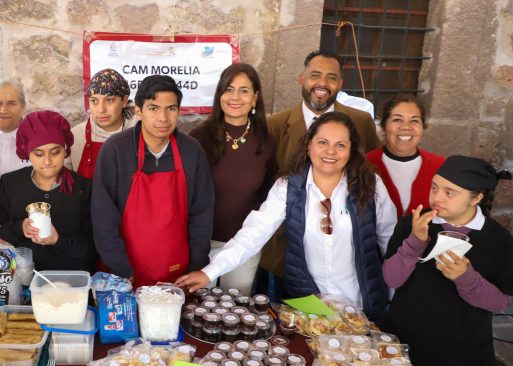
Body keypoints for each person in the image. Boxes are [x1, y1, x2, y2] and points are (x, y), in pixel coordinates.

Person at [176, 112, 397, 321]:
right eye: (323, 142)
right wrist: (209, 272)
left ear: (351, 150)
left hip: (359, 305)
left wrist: (394, 298)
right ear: (309, 144)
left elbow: (390, 242)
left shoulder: (370, 184)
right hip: (310, 307)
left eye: (340, 145)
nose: (331, 152)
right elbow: (254, 233)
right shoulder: (289, 186)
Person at [379, 156, 513, 366]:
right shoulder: (417, 223)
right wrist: (414, 242)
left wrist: (466, 278)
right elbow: (391, 279)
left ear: (476, 197)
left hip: (459, 355)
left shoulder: (497, 241)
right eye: (435, 188)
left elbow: (499, 303)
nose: (437, 198)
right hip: (404, 345)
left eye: (450, 192)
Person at [260, 50, 381, 299]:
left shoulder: (361, 122)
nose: (322, 84)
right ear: (301, 78)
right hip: (286, 253)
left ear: (340, 84)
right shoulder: (275, 125)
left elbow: (368, 178)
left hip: (345, 256)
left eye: (331, 77)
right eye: (315, 75)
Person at [92, 75, 214, 287]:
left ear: (179, 111)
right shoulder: (116, 150)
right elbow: (103, 216)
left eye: (171, 108)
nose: (163, 118)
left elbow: (202, 213)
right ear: (138, 111)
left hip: (178, 274)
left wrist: (195, 265)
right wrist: (121, 268)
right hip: (124, 272)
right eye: (153, 108)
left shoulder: (191, 151)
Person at [189, 63, 276, 294]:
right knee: (197, 310)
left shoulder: (267, 142)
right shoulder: (198, 138)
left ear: (255, 98)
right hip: (200, 245)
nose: (235, 97)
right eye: (228, 89)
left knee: (235, 312)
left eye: (244, 90)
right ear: (219, 95)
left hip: (244, 246)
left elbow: (270, 198)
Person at [0, 110, 96, 272]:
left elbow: (92, 248)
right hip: (25, 281)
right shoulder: (11, 184)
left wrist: (57, 240)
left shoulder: (83, 188)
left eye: (55, 152)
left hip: (73, 280)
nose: (47, 161)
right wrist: (20, 227)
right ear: (27, 152)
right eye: (39, 154)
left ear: (65, 150)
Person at [367, 94, 445, 218]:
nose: (406, 127)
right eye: (397, 119)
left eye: (414, 120)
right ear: (384, 125)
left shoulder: (442, 167)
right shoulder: (364, 164)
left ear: (422, 127)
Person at [70, 68, 137, 178]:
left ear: (124, 101)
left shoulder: (139, 132)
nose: (101, 110)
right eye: (94, 101)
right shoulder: (76, 136)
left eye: (109, 100)